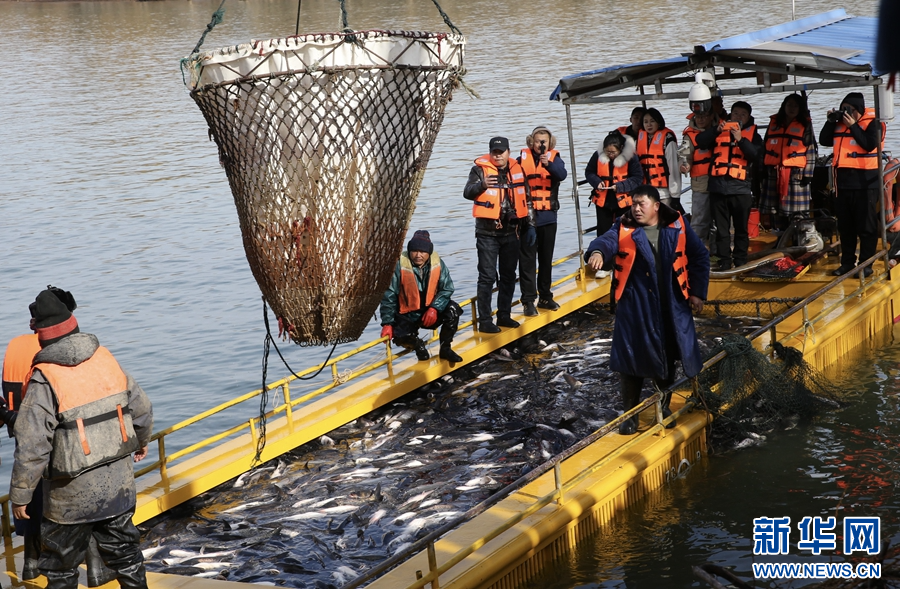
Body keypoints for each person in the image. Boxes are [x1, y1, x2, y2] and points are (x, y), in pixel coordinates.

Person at [10, 288, 153, 589]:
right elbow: (142, 409)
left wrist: (21, 495)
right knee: (128, 559)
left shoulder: (44, 378)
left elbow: (32, 445)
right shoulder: (106, 359)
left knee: (61, 571)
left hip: (69, 499)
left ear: (40, 333)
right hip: (119, 487)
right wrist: (140, 440)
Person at [585, 185, 709, 434]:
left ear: (656, 205)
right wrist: (597, 252)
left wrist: (696, 293)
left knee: (667, 356)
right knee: (630, 360)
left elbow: (699, 256)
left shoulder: (678, 225)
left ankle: (664, 407)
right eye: (633, 204)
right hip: (635, 304)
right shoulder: (623, 226)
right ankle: (629, 414)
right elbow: (605, 241)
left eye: (641, 203)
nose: (636, 208)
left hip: (670, 302)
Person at [464, 136, 535, 333]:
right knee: (487, 276)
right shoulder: (479, 170)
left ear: (508, 152)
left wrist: (530, 225)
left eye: (501, 152)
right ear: (490, 153)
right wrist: (482, 185)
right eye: (494, 152)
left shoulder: (517, 168)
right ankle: (485, 320)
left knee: (508, 276)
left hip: (511, 231)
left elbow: (527, 199)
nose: (498, 155)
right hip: (487, 233)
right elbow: (468, 192)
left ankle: (504, 315)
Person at [819, 92, 886, 277]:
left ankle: (866, 265)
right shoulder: (838, 122)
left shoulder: (874, 123)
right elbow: (823, 140)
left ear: (860, 110)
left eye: (850, 109)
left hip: (866, 184)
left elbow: (869, 144)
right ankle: (847, 263)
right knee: (845, 228)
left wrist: (853, 126)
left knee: (866, 228)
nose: (846, 112)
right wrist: (830, 121)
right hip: (843, 185)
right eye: (844, 108)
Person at [696, 100, 763, 270]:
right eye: (735, 113)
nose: (738, 117)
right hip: (718, 188)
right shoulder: (719, 130)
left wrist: (740, 139)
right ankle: (725, 261)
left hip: (740, 189)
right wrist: (715, 130)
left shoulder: (753, 134)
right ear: (730, 115)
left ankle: (740, 260)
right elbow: (700, 141)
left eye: (743, 114)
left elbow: (756, 155)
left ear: (748, 117)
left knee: (741, 229)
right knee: (722, 230)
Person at [379, 230, 464, 363]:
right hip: (406, 314)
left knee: (453, 309)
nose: (418, 255)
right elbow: (388, 296)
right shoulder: (398, 265)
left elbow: (447, 288)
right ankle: (418, 346)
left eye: (422, 251)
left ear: (429, 253)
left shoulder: (438, 263)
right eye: (414, 251)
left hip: (429, 312)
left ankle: (445, 349)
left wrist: (434, 308)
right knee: (401, 336)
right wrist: (387, 323)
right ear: (409, 251)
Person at [517, 126, 568, 314]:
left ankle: (545, 297)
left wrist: (548, 164)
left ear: (549, 142)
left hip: (548, 218)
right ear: (531, 141)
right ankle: (528, 301)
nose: (541, 144)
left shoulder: (555, 159)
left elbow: (562, 175)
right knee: (527, 262)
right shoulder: (520, 160)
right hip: (527, 220)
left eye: (544, 141)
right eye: (538, 141)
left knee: (546, 260)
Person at [585, 131, 644, 277]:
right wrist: (596, 182)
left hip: (623, 202)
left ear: (621, 149)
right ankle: (605, 266)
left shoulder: (631, 158)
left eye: (613, 152)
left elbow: (637, 178)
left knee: (625, 233)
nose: (610, 155)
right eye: (607, 152)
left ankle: (625, 263)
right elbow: (589, 172)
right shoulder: (597, 156)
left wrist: (621, 186)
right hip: (603, 201)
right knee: (603, 232)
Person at [760, 94, 817, 229]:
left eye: (796, 106)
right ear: (784, 106)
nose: (792, 108)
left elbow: (811, 149)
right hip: (774, 173)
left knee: (797, 212)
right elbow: (765, 146)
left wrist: (808, 174)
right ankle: (780, 237)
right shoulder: (774, 123)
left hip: (796, 174)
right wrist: (762, 169)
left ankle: (798, 239)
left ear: (800, 108)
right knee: (776, 210)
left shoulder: (805, 124)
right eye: (789, 105)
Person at [679, 108, 718, 247]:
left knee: (718, 223)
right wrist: (685, 166)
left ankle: (716, 252)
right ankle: (696, 252)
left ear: (711, 116)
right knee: (699, 221)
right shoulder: (689, 135)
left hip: (720, 182)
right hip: (700, 184)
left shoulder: (720, 130)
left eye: (704, 116)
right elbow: (684, 156)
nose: (700, 119)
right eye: (698, 116)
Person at [636, 108, 682, 210]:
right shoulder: (639, 139)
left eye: (652, 121)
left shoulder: (667, 139)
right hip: (645, 193)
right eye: (645, 122)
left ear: (659, 122)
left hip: (664, 194)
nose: (649, 125)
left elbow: (673, 167)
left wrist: (675, 196)